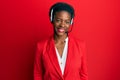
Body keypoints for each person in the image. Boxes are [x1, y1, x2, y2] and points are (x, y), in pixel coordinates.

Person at [34, 2, 88, 80]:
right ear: (52, 19)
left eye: (67, 22)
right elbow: (37, 74)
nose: (62, 25)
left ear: (71, 23)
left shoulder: (80, 45)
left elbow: (84, 75)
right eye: (58, 20)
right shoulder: (41, 46)